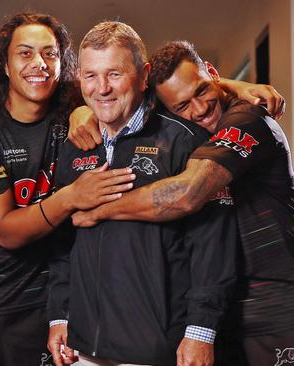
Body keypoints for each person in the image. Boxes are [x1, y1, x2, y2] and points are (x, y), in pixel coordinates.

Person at [71, 41, 294, 366]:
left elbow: (189, 193)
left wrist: (98, 208)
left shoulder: (248, 117)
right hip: (224, 317)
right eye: (183, 105)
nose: (199, 109)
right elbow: (118, 95)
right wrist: (81, 111)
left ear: (213, 74)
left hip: (280, 311)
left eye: (202, 90)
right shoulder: (190, 137)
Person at [0, 13, 136, 366]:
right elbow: (6, 231)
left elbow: (145, 80)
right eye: (25, 53)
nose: (39, 64)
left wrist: (232, 87)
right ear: (4, 65)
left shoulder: (75, 113)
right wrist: (70, 197)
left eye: (50, 54)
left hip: (40, 303)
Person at [47, 22, 236, 366]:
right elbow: (63, 245)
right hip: (82, 347)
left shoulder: (184, 140)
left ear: (143, 74)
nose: (101, 88)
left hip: (159, 349)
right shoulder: (74, 149)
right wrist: (59, 315)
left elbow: (213, 246)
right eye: (90, 76)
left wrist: (200, 331)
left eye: (114, 74)